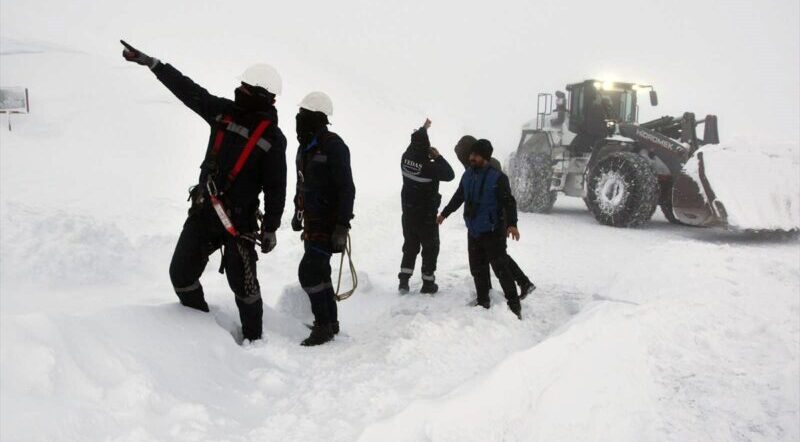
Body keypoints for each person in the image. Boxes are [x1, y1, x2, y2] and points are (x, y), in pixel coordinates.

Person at [121, 40, 287, 342]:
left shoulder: (273, 139)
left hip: (240, 225)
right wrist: (155, 65)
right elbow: (189, 91)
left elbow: (276, 187)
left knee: (245, 289)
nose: (241, 91)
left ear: (261, 96)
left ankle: (254, 341)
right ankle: (199, 332)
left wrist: (271, 227)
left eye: (247, 88)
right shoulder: (222, 112)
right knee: (181, 274)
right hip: (205, 213)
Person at [292, 91, 355, 346]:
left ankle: (323, 326)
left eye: (304, 116)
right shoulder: (303, 149)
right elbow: (301, 184)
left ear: (317, 118)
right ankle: (330, 322)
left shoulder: (334, 146)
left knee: (308, 272)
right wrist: (297, 212)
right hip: (311, 221)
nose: (299, 120)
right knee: (320, 272)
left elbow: (346, 188)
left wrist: (342, 225)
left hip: (328, 224)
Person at [438, 139, 522, 319]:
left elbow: (509, 202)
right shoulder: (468, 175)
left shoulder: (498, 178)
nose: (471, 158)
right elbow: (459, 196)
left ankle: (514, 306)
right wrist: (444, 213)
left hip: (493, 231)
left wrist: (512, 224)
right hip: (474, 230)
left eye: (475, 155)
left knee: (501, 270)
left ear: (484, 157)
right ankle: (483, 300)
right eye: (471, 154)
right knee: (477, 269)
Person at [453, 136, 536, 300]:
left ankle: (521, 285)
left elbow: (501, 197)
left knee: (498, 258)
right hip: (487, 221)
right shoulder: (478, 165)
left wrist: (508, 223)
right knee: (496, 257)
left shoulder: (489, 168)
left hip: (495, 220)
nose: (467, 160)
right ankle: (511, 285)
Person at [398, 119, 455, 294]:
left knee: (410, 246)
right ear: (426, 147)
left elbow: (414, 145)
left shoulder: (405, 158)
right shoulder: (430, 168)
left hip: (408, 213)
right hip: (426, 216)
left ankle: (404, 281)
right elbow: (450, 174)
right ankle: (428, 283)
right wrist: (437, 157)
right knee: (430, 248)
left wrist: (423, 129)